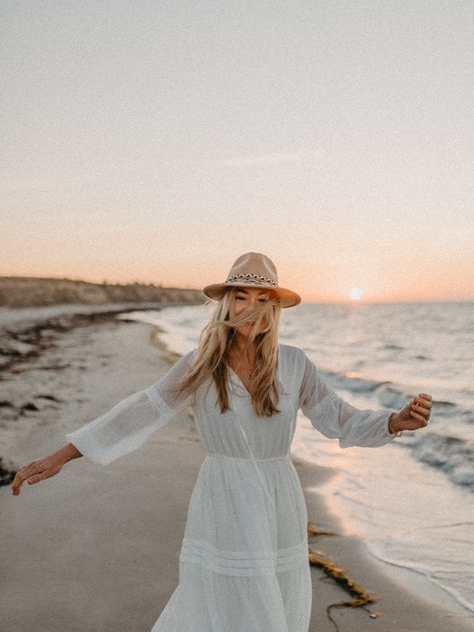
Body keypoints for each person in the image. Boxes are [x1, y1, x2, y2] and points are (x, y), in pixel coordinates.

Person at [11, 252, 432, 631]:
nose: (250, 309)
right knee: (226, 599)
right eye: (241, 297)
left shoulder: (294, 362)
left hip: (277, 495)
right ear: (227, 302)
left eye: (262, 299)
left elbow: (339, 418)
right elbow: (143, 409)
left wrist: (395, 421)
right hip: (224, 493)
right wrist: (65, 454)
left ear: (274, 308)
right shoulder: (201, 362)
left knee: (276, 598)